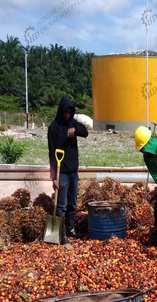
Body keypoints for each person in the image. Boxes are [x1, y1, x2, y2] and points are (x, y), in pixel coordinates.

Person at [48, 95, 89, 243]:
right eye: (65, 111)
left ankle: (70, 228)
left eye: (70, 111)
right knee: (62, 205)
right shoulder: (53, 128)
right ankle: (60, 234)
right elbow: (51, 152)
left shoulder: (73, 122)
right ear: (61, 110)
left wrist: (75, 128)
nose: (67, 114)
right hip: (62, 172)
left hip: (73, 171)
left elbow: (85, 132)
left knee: (72, 203)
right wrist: (54, 177)